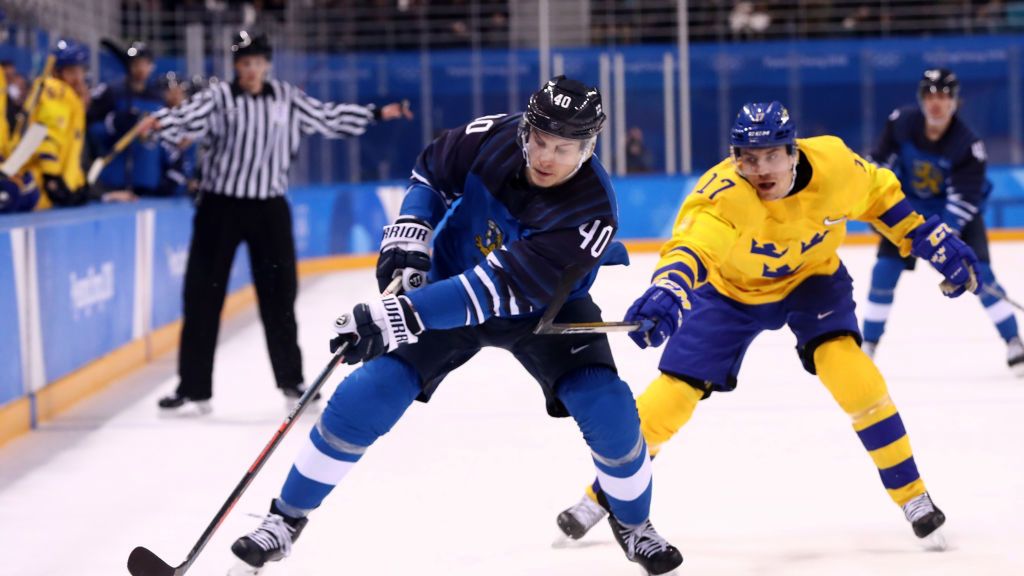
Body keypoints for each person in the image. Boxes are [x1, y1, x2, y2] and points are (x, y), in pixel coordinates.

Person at [228, 76, 684, 576]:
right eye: (538, 140)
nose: (546, 157)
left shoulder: (590, 211)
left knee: (610, 410)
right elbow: (432, 171)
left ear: (588, 147)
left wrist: (395, 316)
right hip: (449, 278)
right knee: (369, 391)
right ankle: (284, 521)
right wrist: (411, 233)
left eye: (564, 147)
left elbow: (493, 291)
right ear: (526, 129)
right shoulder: (495, 136)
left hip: (543, 312)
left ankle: (634, 524)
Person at [554, 101, 983, 553]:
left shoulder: (835, 166)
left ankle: (913, 495)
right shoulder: (724, 194)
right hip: (730, 294)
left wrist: (930, 239)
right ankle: (603, 495)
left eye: (772, 154)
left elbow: (880, 197)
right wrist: (668, 289)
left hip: (811, 279)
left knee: (849, 369)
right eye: (748, 157)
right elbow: (694, 246)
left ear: (794, 152)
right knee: (674, 394)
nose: (760, 168)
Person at [142, 30, 412, 415]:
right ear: (236, 66)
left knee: (279, 296)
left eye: (257, 62)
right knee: (203, 296)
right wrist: (158, 124)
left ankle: (292, 380)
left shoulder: (286, 98)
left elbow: (328, 117)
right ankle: (193, 386)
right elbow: (185, 119)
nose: (251, 70)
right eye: (244, 63)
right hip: (220, 208)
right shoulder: (219, 98)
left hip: (268, 208)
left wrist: (375, 113)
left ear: (266, 64)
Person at [861, 68, 1024, 375]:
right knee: (884, 271)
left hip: (953, 218)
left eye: (944, 96)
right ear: (921, 100)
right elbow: (876, 168)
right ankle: (867, 345)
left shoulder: (968, 146)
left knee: (982, 274)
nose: (937, 103)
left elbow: (961, 204)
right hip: (908, 212)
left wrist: (940, 243)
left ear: (955, 101)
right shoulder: (902, 123)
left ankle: (1014, 340)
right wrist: (875, 209)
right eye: (930, 95)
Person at [87, 41, 177, 198]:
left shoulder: (157, 99)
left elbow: (164, 140)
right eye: (136, 64)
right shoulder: (112, 93)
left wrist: (171, 170)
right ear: (129, 65)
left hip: (149, 183)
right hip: (116, 182)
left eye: (145, 63)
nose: (140, 69)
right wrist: (113, 124)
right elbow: (91, 129)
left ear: (151, 66)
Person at [25, 39, 92, 209]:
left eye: (80, 71)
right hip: (40, 188)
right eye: (71, 71)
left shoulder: (71, 99)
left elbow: (70, 150)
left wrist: (77, 183)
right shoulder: (54, 90)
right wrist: (52, 178)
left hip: (57, 193)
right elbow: (46, 135)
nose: (78, 78)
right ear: (56, 71)